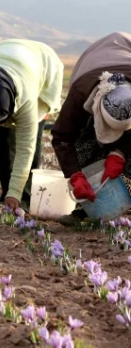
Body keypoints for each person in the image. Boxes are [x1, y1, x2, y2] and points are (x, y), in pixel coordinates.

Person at [0, 39, 64, 210]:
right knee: (1, 139)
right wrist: (0, 127)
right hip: (7, 52)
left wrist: (16, 190)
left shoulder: (27, 98)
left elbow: (27, 147)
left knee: (33, 136)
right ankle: (7, 195)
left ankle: (24, 198)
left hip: (43, 65)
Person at [52, 32, 131, 221]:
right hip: (91, 68)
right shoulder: (79, 96)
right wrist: (75, 175)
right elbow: (62, 137)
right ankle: (86, 205)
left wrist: (120, 152)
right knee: (84, 143)